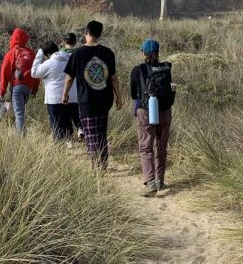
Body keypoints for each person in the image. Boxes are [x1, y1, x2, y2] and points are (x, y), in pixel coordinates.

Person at [62, 20, 122, 168]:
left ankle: (97, 164)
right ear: (100, 34)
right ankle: (103, 162)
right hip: (105, 98)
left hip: (86, 99)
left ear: (86, 33)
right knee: (101, 131)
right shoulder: (108, 53)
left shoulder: (78, 53)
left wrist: (65, 94)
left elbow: (69, 78)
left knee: (90, 133)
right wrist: (118, 97)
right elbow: (113, 77)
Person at [130, 39, 176, 195]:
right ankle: (160, 180)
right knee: (161, 147)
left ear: (143, 52)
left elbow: (132, 94)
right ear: (158, 52)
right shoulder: (166, 68)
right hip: (165, 112)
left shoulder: (138, 70)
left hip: (146, 111)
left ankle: (150, 182)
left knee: (146, 147)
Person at [32, 39, 81, 142]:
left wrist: (40, 53)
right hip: (71, 97)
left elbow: (34, 73)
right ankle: (69, 142)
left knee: (56, 124)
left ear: (48, 54)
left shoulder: (50, 62)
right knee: (67, 122)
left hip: (54, 99)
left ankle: (58, 147)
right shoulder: (70, 59)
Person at [0, 28, 39, 133]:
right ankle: (21, 131)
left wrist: (2, 92)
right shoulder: (31, 53)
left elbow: (4, 73)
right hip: (29, 87)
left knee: (19, 113)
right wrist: (35, 89)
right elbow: (36, 72)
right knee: (21, 111)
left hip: (17, 86)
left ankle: (20, 137)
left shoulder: (11, 53)